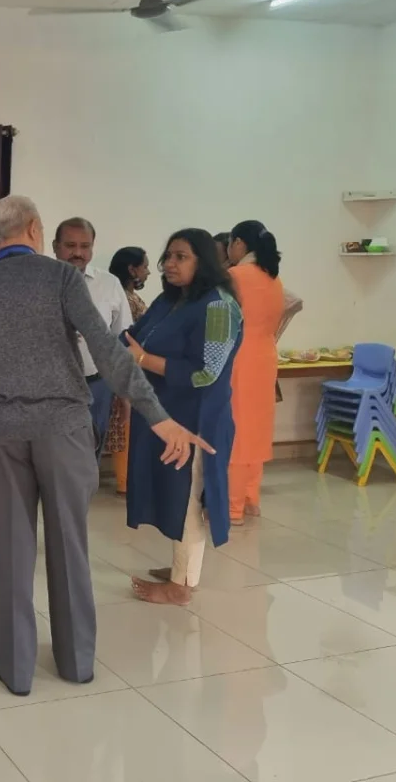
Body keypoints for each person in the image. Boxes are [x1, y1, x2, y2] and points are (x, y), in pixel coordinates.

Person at [0, 195, 209, 697]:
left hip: (3, 430)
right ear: (34, 229)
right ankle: (76, 662)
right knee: (69, 545)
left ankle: (15, 668)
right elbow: (109, 353)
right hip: (64, 427)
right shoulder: (62, 278)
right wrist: (159, 417)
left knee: (9, 550)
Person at [123, 228, 243, 606]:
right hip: (164, 415)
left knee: (189, 496)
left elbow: (205, 373)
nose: (169, 264)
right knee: (173, 493)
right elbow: (132, 338)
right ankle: (181, 567)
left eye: (181, 257)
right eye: (168, 256)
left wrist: (143, 360)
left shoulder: (219, 307)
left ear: (203, 261)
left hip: (197, 420)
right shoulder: (170, 299)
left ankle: (182, 586)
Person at [225, 220, 302, 524]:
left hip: (239, 360)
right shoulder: (274, 279)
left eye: (230, 243)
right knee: (256, 431)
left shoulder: (235, 276)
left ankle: (232, 508)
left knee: (236, 432)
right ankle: (250, 499)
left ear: (239, 244)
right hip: (265, 359)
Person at [52, 218, 132, 454]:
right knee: (53, 457)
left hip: (97, 386)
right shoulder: (38, 282)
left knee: (90, 454)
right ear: (55, 246)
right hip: (51, 389)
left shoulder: (109, 284)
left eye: (85, 246)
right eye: (70, 245)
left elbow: (122, 340)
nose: (78, 253)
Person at [104, 247, 151, 495]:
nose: (148, 272)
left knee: (126, 425)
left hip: (132, 368)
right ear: (132, 269)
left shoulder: (129, 296)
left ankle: (128, 479)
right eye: (145, 266)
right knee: (124, 425)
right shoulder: (125, 299)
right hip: (126, 369)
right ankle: (126, 481)